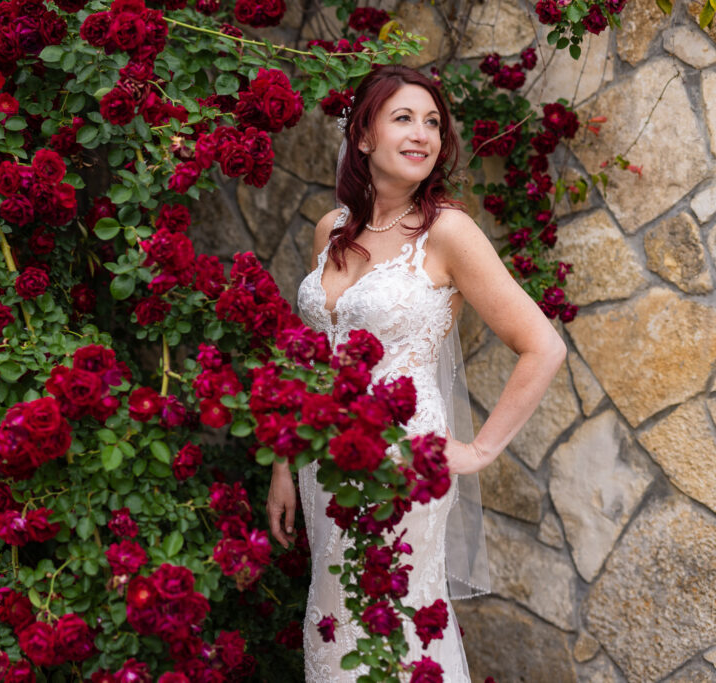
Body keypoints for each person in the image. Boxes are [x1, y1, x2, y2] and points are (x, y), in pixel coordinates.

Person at [266, 65, 566, 681]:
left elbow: (543, 346)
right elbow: (312, 357)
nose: (422, 134)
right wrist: (281, 465)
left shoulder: (447, 233)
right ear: (364, 136)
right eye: (403, 118)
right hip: (321, 461)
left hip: (403, 463)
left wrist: (481, 449)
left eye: (432, 122)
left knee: (392, 616)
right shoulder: (333, 231)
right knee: (332, 610)